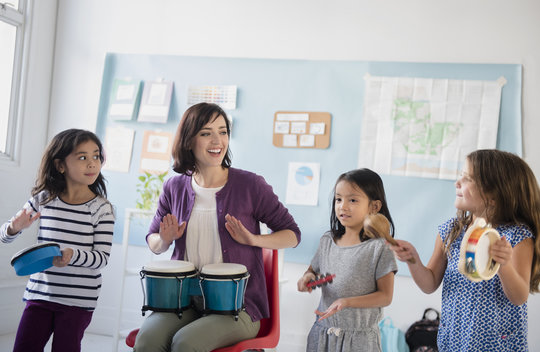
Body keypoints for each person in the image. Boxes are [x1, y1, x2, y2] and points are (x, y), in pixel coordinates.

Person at [133, 102, 301, 352]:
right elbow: (153, 240)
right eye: (206, 133)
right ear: (189, 140)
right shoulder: (174, 187)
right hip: (184, 302)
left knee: (185, 343)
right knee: (146, 341)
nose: (217, 140)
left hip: (237, 308)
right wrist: (165, 239)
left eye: (223, 132)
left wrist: (253, 240)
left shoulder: (251, 185)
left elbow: (292, 235)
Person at [390, 149, 540, 351]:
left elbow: (519, 296)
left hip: (497, 345)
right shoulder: (451, 231)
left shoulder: (516, 237)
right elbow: (429, 283)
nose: (457, 183)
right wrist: (413, 259)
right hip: (455, 341)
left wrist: (502, 264)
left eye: (467, 178)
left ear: (494, 194)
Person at [0, 129, 115, 352]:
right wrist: (15, 227)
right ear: (60, 165)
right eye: (82, 157)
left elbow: (102, 258)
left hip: (78, 301)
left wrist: (73, 255)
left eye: (96, 156)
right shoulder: (44, 199)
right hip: (40, 293)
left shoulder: (102, 209)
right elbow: (4, 236)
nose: (92, 163)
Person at [297, 168, 397, 352]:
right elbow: (313, 272)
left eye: (352, 200)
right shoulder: (327, 241)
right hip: (322, 335)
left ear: (374, 207)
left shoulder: (380, 247)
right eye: (338, 199)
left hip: (359, 342)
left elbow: (385, 296)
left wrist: (347, 302)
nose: (342, 206)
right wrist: (307, 279)